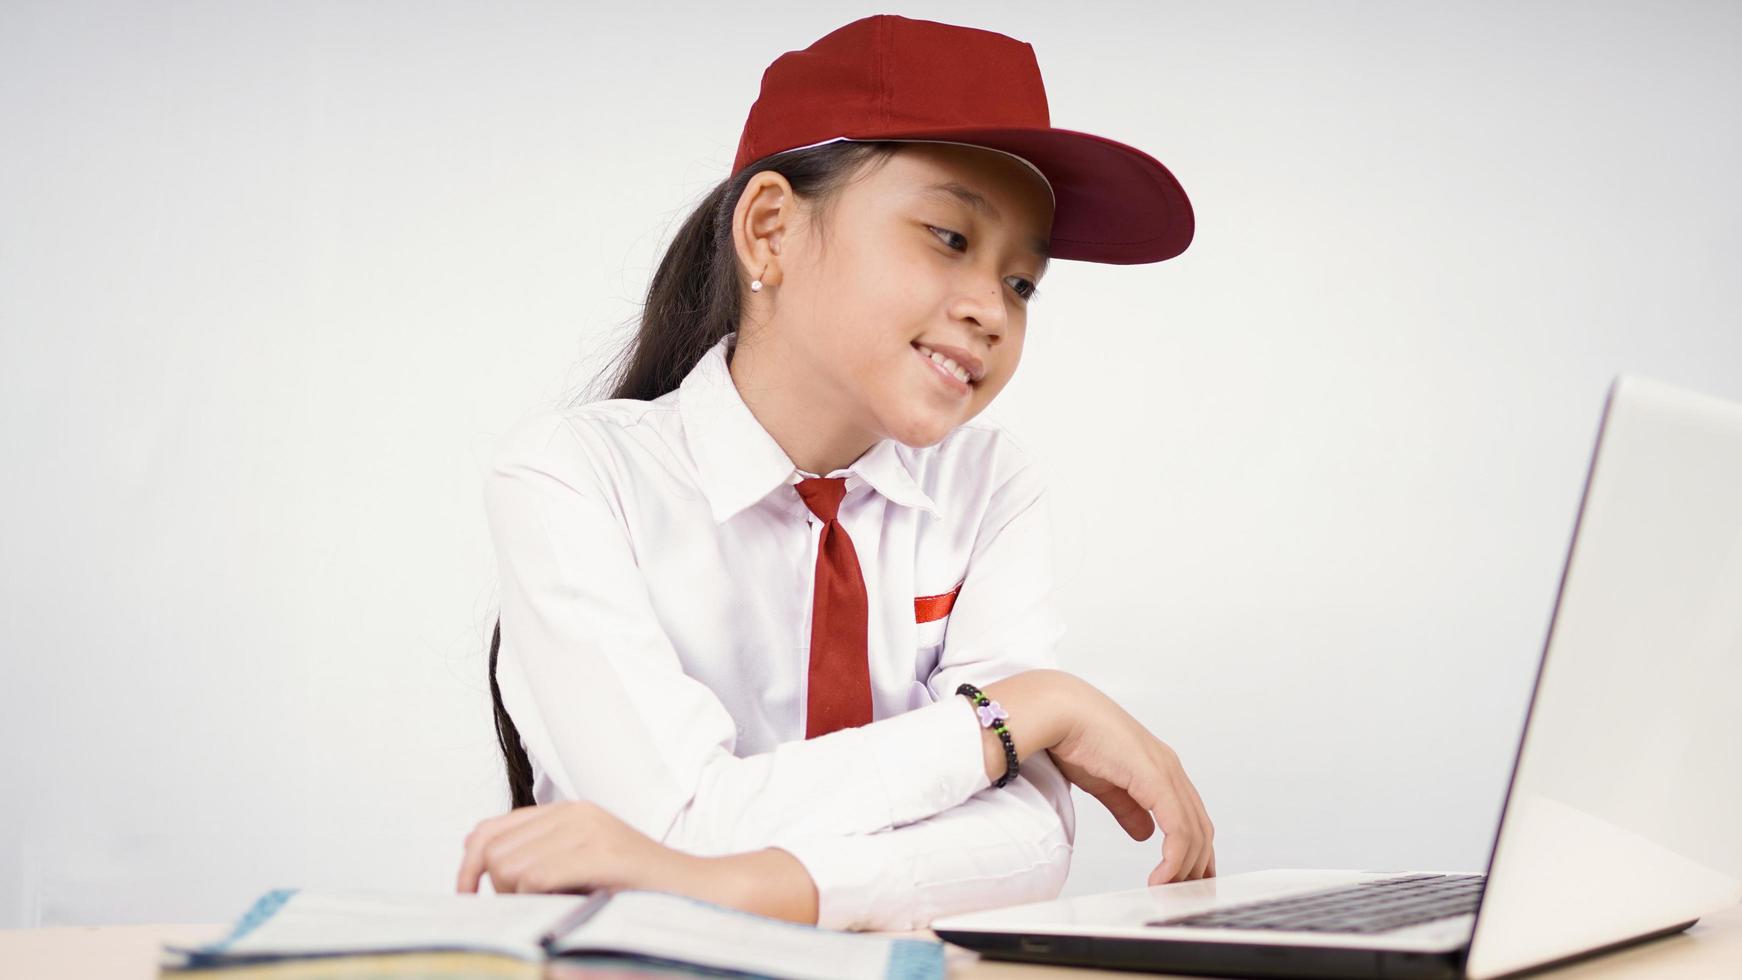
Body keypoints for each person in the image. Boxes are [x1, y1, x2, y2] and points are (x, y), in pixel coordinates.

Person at [455, 13, 1215, 932]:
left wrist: (736, 885)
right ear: (770, 229)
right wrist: (1024, 711)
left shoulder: (989, 488)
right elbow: (682, 817)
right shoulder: (574, 478)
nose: (991, 310)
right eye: (948, 236)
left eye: (1023, 282)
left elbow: (1028, 839)